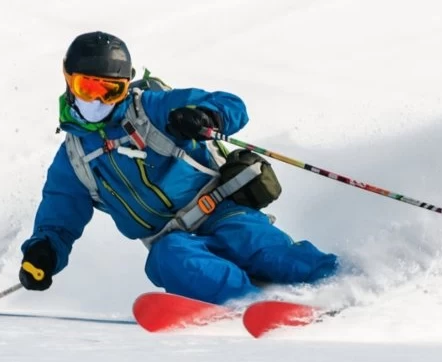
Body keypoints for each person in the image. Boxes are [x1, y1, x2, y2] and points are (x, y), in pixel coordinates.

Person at [17, 31, 338, 305]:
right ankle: (253, 305)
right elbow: (58, 220)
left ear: (126, 87)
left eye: (111, 90)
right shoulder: (74, 158)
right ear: (68, 80)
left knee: (259, 246)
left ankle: (345, 287)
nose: (99, 101)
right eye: (88, 87)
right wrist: (42, 253)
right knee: (167, 260)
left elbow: (232, 105)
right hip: (171, 240)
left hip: (222, 210)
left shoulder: (152, 110)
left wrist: (205, 117)